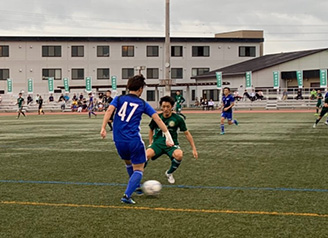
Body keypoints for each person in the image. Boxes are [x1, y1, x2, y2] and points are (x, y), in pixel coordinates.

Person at [100, 74, 174, 204]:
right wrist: (168, 134)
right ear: (140, 89)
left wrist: (103, 128)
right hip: (134, 140)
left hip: (118, 140)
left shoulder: (118, 99)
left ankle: (137, 187)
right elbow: (156, 118)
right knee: (139, 168)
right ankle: (127, 196)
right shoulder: (142, 103)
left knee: (128, 163)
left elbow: (109, 110)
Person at [146, 96, 198, 184]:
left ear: (172, 107)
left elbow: (187, 133)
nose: (165, 109)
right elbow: (151, 130)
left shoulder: (177, 119)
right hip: (158, 143)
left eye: (168, 107)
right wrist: (150, 143)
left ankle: (169, 173)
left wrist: (194, 148)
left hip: (171, 144)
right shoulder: (157, 117)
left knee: (179, 155)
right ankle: (137, 177)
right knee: (145, 155)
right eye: (163, 106)